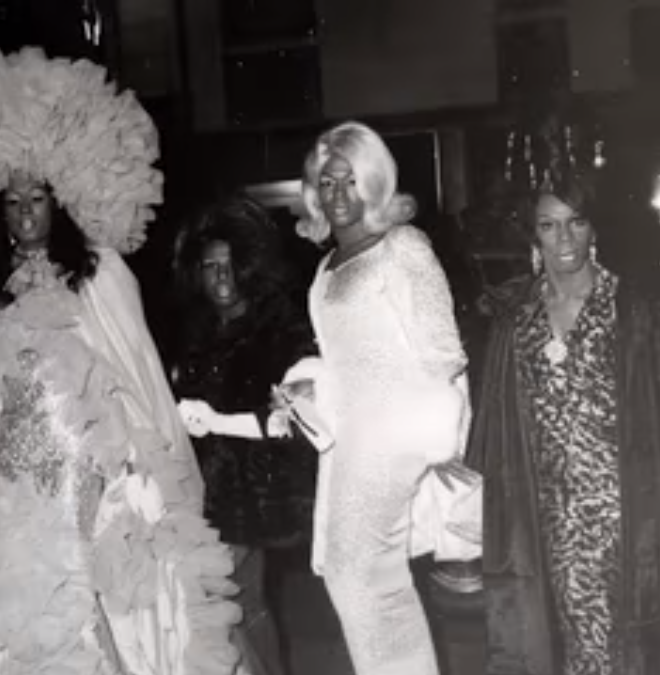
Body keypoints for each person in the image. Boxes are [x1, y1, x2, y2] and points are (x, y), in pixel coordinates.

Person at [0, 48, 243, 675]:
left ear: (58, 201)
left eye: (37, 198)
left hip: (87, 472)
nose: (25, 212)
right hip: (12, 474)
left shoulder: (101, 272)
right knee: (24, 611)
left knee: (95, 607)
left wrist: (144, 471)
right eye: (12, 201)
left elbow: (135, 373)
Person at [280, 121, 479, 674]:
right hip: (347, 445)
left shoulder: (402, 248)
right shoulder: (325, 267)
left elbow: (445, 356)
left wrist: (419, 443)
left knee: (364, 578)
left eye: (349, 180)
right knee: (354, 580)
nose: (337, 194)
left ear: (373, 183)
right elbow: (346, 354)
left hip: (390, 447)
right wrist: (309, 385)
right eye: (326, 182)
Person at [465, 169, 660, 675]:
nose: (564, 238)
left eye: (576, 223)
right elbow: (499, 418)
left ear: (594, 230)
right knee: (555, 639)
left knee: (616, 641)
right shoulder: (518, 315)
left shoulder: (632, 310)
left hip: (619, 507)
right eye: (549, 226)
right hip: (543, 506)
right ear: (534, 235)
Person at [171, 195, 318, 675]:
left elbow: (286, 421)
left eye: (230, 266)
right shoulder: (195, 334)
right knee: (231, 606)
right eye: (211, 267)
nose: (221, 278)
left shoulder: (278, 330)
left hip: (250, 495)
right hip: (200, 493)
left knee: (234, 601)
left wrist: (214, 421)